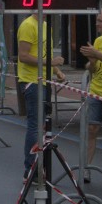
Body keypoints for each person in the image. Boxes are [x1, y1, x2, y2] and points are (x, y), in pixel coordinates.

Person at [17, 13, 65, 180]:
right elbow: (23, 56)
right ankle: (31, 169)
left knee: (43, 125)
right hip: (32, 81)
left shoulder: (45, 25)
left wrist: (56, 71)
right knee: (35, 124)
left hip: (44, 80)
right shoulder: (28, 25)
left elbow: (45, 54)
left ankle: (38, 166)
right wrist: (51, 63)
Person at [79, 8, 102, 183]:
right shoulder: (98, 40)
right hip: (96, 91)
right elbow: (92, 69)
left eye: (100, 21)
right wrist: (91, 62)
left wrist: (97, 54)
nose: (97, 24)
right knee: (91, 129)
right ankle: (86, 168)